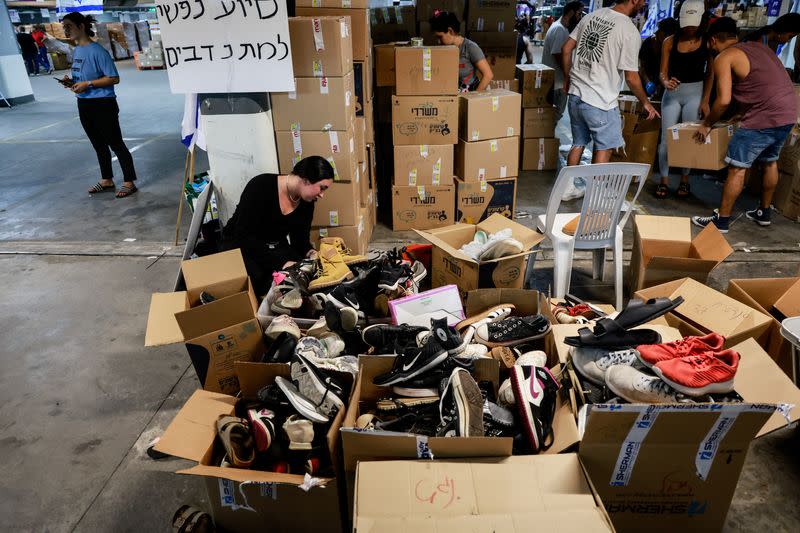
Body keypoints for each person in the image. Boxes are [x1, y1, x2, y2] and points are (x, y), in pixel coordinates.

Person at [691, 17, 797, 233]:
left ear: (712, 40)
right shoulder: (760, 48)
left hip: (764, 117)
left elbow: (723, 100)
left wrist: (707, 124)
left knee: (737, 168)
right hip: (788, 113)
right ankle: (764, 212)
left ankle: (722, 220)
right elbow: (759, 85)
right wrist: (740, 114)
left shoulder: (724, 57)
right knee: (770, 161)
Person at [561, 0, 659, 165]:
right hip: (600, 101)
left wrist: (567, 77)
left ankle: (568, 187)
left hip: (576, 96)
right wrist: (646, 103)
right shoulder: (629, 30)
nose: (644, 5)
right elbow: (631, 77)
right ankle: (596, 191)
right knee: (604, 148)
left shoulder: (591, 16)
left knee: (578, 143)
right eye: (643, 1)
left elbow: (566, 49)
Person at [222, 157, 334, 296]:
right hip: (241, 243)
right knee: (261, 278)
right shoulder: (261, 186)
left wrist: (312, 253)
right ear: (305, 179)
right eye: (322, 188)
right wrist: (282, 263)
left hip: (273, 245)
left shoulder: (307, 202)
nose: (322, 195)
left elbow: (300, 241)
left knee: (307, 273)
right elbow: (244, 236)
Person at [60, 13, 139, 198]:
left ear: (81, 26)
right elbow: (87, 76)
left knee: (115, 143)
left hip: (103, 104)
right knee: (98, 144)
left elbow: (113, 78)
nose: (66, 30)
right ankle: (107, 179)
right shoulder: (77, 50)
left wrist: (88, 84)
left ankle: (129, 181)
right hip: (84, 103)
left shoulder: (97, 51)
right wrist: (72, 82)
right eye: (64, 27)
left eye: (69, 26)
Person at [655, 1, 714, 199]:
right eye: (686, 23)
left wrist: (705, 101)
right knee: (665, 140)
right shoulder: (669, 41)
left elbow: (710, 75)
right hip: (672, 94)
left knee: (689, 138)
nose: (689, 27)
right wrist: (665, 82)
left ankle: (685, 179)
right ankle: (664, 180)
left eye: (693, 23)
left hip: (695, 93)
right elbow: (662, 72)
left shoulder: (707, 42)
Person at [429, 11, 494, 91]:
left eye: (440, 37)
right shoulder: (444, 50)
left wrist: (473, 98)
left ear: (450, 31)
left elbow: (488, 75)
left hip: (468, 94)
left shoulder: (470, 47)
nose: (438, 41)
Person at [542, 1, 585, 121]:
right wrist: (569, 76)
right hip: (558, 83)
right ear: (571, 13)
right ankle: (548, 139)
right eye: (579, 13)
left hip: (555, 82)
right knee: (556, 115)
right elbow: (558, 55)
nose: (580, 17)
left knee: (553, 116)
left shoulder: (558, 27)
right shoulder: (560, 29)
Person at [639, 17, 679, 100]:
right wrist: (648, 82)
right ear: (660, 32)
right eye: (665, 35)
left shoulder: (671, 46)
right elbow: (642, 67)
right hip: (647, 82)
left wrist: (664, 83)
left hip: (664, 85)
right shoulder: (647, 43)